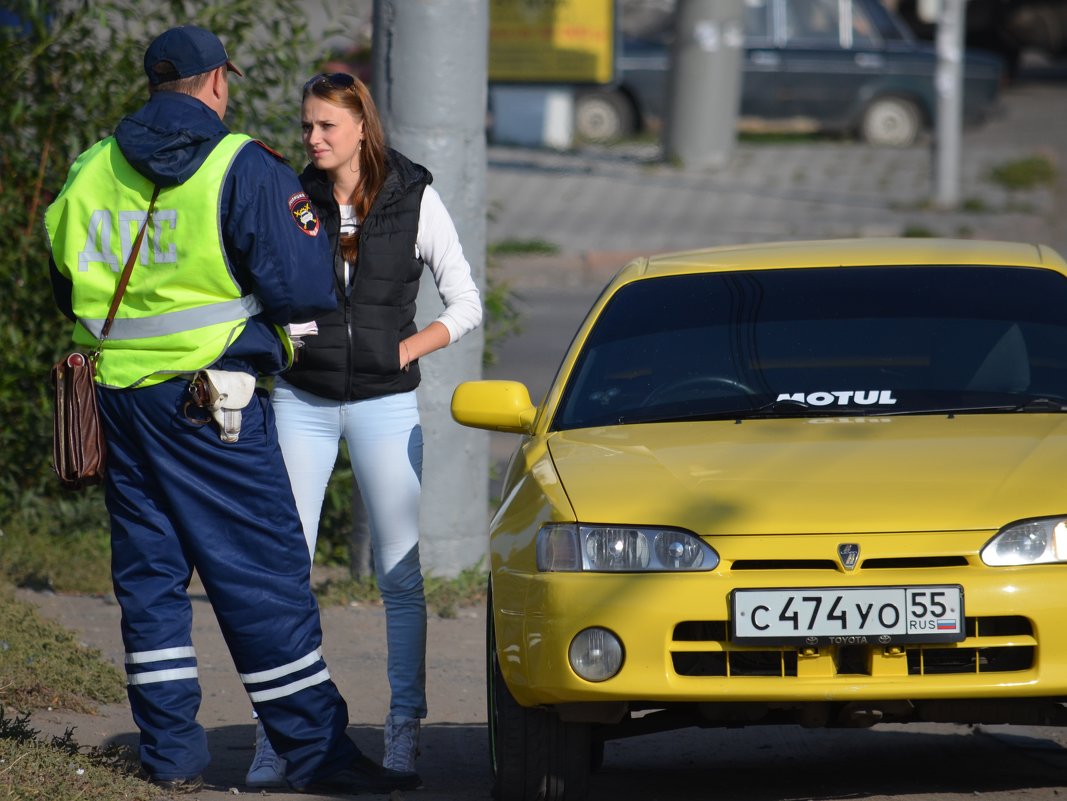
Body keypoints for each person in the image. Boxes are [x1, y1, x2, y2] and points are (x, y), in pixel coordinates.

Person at [44, 25, 418, 796]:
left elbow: (63, 279)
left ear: (155, 85)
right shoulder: (240, 166)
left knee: (149, 577)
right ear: (217, 82)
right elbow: (305, 287)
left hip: (118, 400)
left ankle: (171, 756)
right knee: (262, 573)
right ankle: (315, 753)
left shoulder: (90, 167)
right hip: (213, 405)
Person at [244, 70, 483, 788]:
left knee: (400, 577)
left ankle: (403, 726)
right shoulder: (291, 199)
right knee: (283, 576)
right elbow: (254, 290)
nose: (312, 138)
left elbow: (465, 300)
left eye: (326, 126)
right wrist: (281, 342)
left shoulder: (413, 196)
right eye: (307, 125)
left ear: (360, 129)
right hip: (301, 402)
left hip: (384, 402)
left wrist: (404, 349)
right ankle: (276, 734)